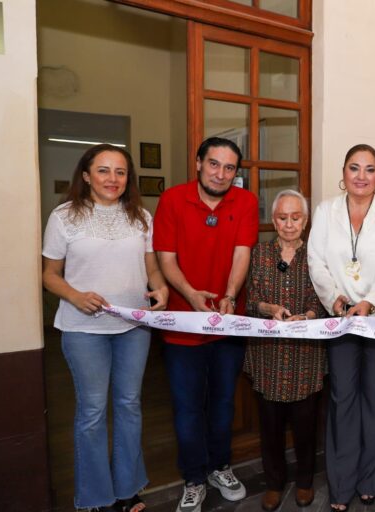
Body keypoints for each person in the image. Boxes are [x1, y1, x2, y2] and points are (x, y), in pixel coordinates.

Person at [42, 144, 169, 512]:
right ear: (85, 175)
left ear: (128, 178)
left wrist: (159, 287)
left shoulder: (141, 217)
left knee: (129, 406)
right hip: (84, 329)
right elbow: (50, 275)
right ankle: (96, 497)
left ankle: (128, 488)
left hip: (134, 327)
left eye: (120, 172)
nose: (112, 179)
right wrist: (76, 295)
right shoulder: (64, 217)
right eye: (103, 170)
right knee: (92, 411)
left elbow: (152, 269)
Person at [153, 137, 259, 512]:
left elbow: (242, 252)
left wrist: (230, 294)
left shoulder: (245, 201)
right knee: (187, 407)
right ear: (198, 163)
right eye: (214, 164)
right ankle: (194, 478)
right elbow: (166, 258)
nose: (221, 173)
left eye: (229, 167)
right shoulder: (172, 200)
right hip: (183, 324)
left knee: (223, 403)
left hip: (228, 324)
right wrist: (190, 295)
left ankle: (220, 467)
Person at [307, 144, 375, 511]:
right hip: (340, 317)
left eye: (370, 169)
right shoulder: (325, 211)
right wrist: (334, 298)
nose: (361, 176)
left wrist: (372, 301)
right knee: (342, 398)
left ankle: (369, 479)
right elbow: (316, 260)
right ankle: (341, 484)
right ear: (343, 172)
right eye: (354, 168)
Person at [243, 189, 326, 511]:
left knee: (306, 428)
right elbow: (250, 300)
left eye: (296, 218)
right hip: (268, 354)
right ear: (273, 219)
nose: (289, 224)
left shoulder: (317, 256)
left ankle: (305, 481)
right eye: (282, 217)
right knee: (271, 428)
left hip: (306, 355)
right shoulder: (258, 253)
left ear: (305, 221)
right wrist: (269, 308)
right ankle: (274, 483)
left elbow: (324, 298)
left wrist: (308, 315)